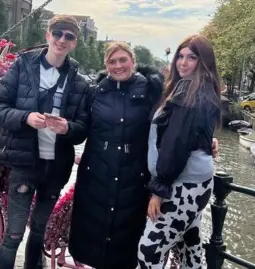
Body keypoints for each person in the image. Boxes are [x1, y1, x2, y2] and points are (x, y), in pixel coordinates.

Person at [68, 41, 219, 269]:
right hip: (100, 170)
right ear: (106, 65)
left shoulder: (155, 90)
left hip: (138, 173)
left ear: (133, 61)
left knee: (140, 244)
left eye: (123, 59)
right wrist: (67, 130)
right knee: (189, 244)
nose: (118, 65)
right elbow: (83, 125)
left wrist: (205, 141)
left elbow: (175, 135)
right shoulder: (96, 91)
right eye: (112, 61)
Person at [0, 15, 89, 269]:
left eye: (69, 36)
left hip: (56, 167)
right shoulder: (23, 66)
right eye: (58, 33)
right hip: (24, 162)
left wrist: (68, 128)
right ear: (48, 35)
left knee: (38, 230)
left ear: (74, 43)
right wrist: (25, 118)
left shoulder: (79, 81)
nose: (62, 39)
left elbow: (83, 128)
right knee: (13, 234)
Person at [137, 34, 221, 269]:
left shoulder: (189, 95)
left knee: (148, 251)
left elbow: (176, 144)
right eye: (180, 57)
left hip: (181, 186)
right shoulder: (198, 90)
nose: (183, 63)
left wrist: (159, 189)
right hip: (196, 183)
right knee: (190, 249)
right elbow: (196, 132)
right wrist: (209, 141)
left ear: (203, 62)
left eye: (191, 58)